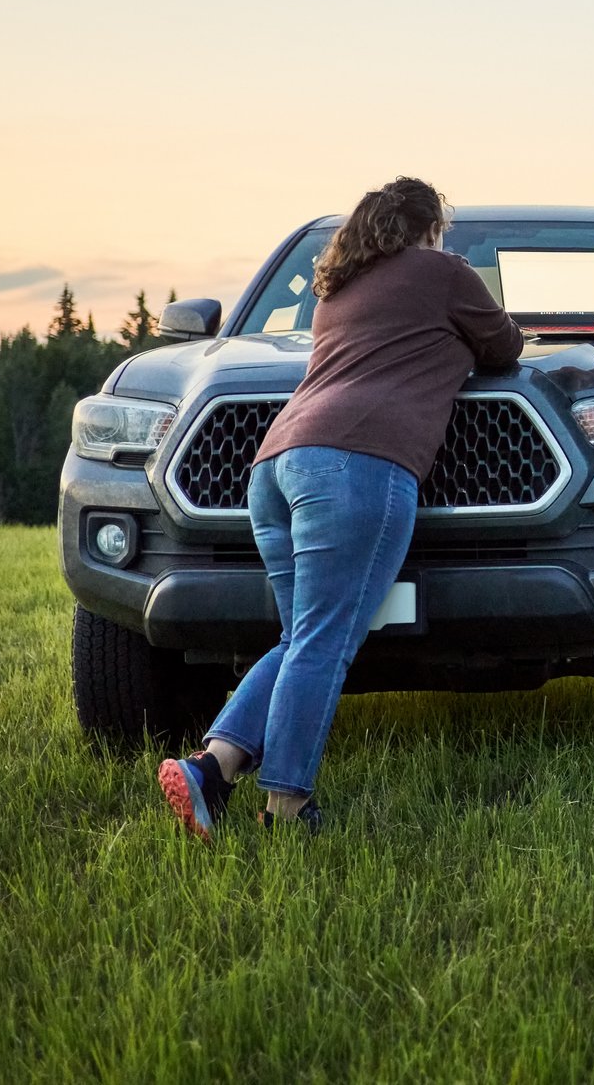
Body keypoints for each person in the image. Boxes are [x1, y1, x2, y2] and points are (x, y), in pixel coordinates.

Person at [157, 177, 523, 838]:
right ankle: (288, 810)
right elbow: (506, 348)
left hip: (274, 467)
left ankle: (212, 769)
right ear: (427, 227)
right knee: (323, 645)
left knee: (302, 639)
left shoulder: (339, 291)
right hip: (357, 464)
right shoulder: (444, 273)